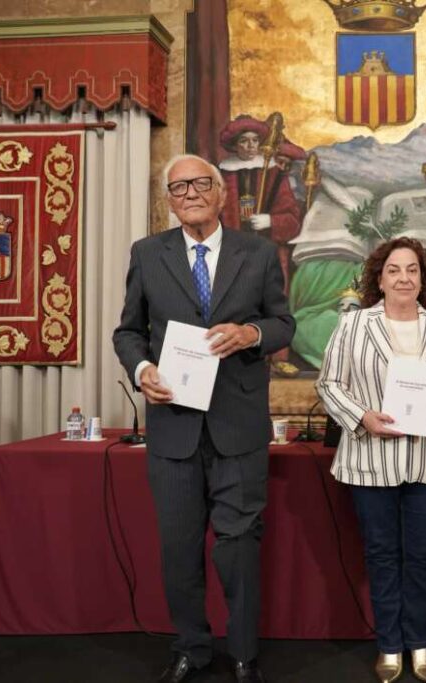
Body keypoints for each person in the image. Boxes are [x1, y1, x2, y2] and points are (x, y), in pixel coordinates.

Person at [113, 154, 295, 683]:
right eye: (177, 188)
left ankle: (242, 652)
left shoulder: (258, 253)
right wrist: (143, 367)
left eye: (198, 184)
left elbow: (283, 324)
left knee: (239, 547)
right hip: (173, 426)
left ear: (220, 193)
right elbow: (128, 331)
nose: (188, 193)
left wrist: (252, 335)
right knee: (178, 547)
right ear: (169, 201)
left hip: (238, 428)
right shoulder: (148, 254)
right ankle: (191, 647)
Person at [316, 237, 426, 683]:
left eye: (412, 270)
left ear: (423, 279)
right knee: (382, 554)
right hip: (370, 458)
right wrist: (362, 416)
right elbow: (329, 384)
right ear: (378, 279)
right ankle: (389, 644)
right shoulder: (353, 326)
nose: (404, 278)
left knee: (422, 555)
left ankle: (421, 642)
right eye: (394, 270)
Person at [218, 114, 303, 377]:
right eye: (244, 141)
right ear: (235, 145)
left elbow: (291, 218)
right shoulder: (221, 175)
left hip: (270, 250)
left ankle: (277, 358)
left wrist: (269, 220)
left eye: (255, 140)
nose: (251, 146)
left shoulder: (275, 174)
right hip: (231, 251)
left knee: (273, 305)